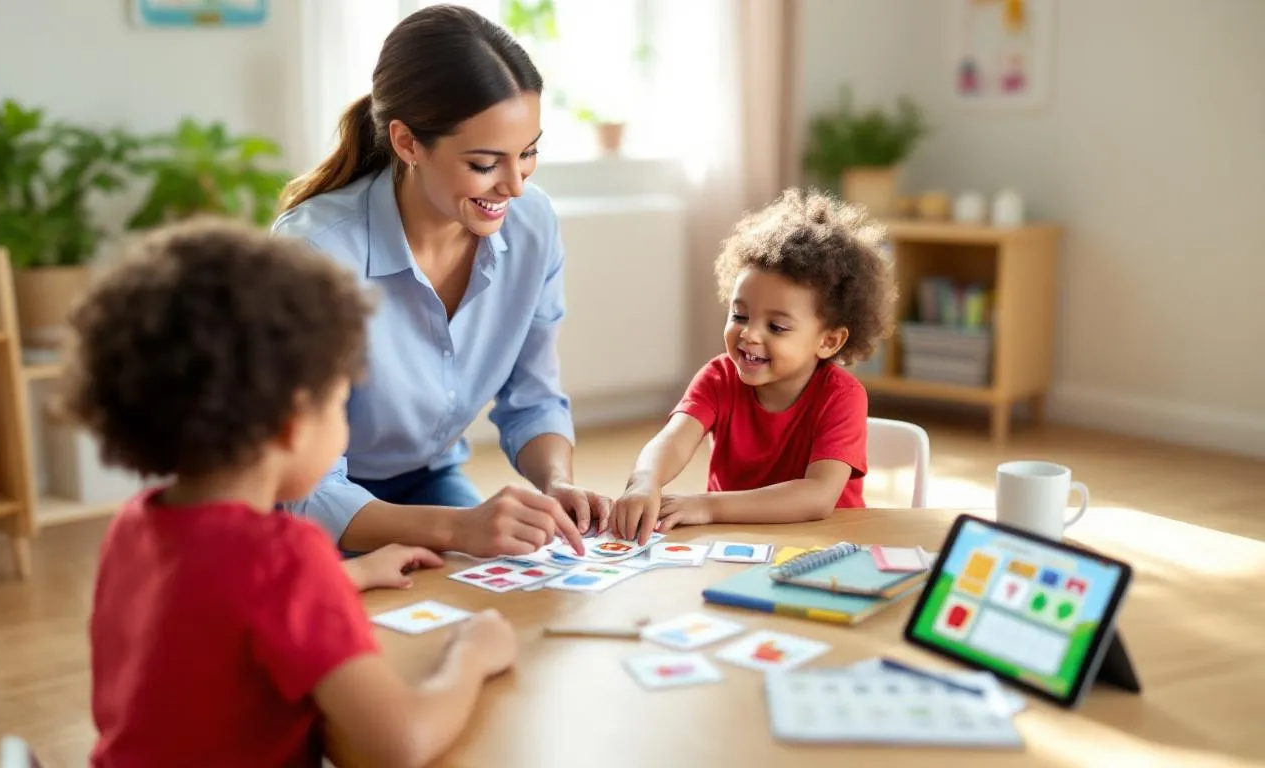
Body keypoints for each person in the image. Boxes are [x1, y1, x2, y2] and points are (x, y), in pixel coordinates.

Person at [64, 219, 517, 768]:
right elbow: (399, 745)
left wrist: (346, 576)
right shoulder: (285, 557)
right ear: (291, 424)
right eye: (341, 402)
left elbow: (213, 613)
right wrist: (471, 655)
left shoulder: (135, 525)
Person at [272, 4, 609, 558]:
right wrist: (457, 529)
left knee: (501, 590)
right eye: (484, 164)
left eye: (528, 154)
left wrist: (556, 484)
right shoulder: (315, 253)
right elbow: (302, 489)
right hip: (303, 500)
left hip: (425, 480)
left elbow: (532, 398)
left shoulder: (532, 224)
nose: (515, 187)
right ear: (407, 144)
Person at [612, 189, 898, 542]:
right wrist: (645, 480)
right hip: (735, 543)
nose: (749, 335)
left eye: (776, 327)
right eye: (739, 315)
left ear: (828, 341)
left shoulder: (842, 396)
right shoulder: (718, 378)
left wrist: (709, 507)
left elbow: (818, 496)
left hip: (822, 546)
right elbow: (671, 441)